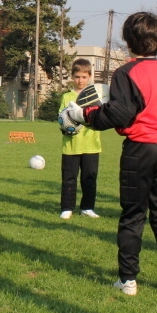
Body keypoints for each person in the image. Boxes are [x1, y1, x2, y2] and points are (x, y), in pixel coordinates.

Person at [65, 13, 157, 296]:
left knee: (133, 214)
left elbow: (119, 114)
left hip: (142, 149)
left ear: (128, 40)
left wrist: (83, 115)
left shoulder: (127, 72)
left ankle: (128, 280)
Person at [57, 58, 102, 220]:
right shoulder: (67, 97)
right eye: (77, 77)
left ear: (89, 76)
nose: (80, 80)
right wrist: (66, 126)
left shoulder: (95, 96)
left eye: (84, 77)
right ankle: (67, 207)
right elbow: (62, 118)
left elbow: (100, 117)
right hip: (71, 146)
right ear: (72, 77)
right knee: (69, 178)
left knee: (89, 178)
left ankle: (87, 207)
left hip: (92, 145)